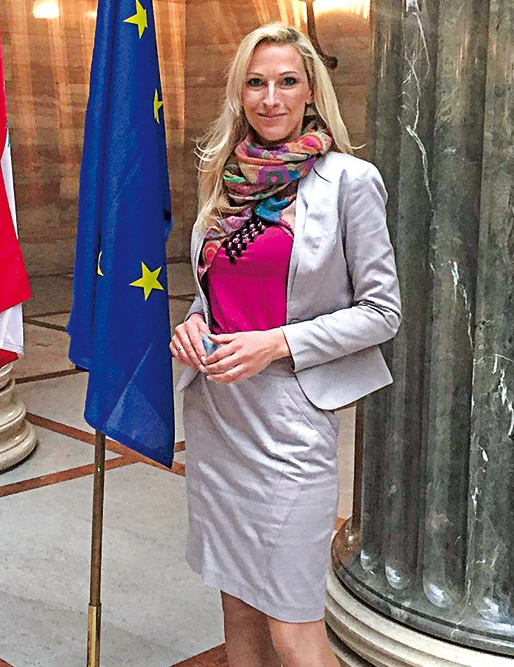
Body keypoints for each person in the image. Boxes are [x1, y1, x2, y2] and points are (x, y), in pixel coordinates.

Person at [170, 22, 402, 667]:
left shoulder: (349, 181)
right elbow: (216, 290)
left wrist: (275, 343)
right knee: (238, 605)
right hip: (219, 415)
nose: (270, 98)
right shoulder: (225, 177)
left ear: (310, 92)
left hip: (291, 419)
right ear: (239, 93)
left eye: (286, 82)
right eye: (256, 82)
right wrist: (193, 324)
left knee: (293, 625)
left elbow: (382, 313)